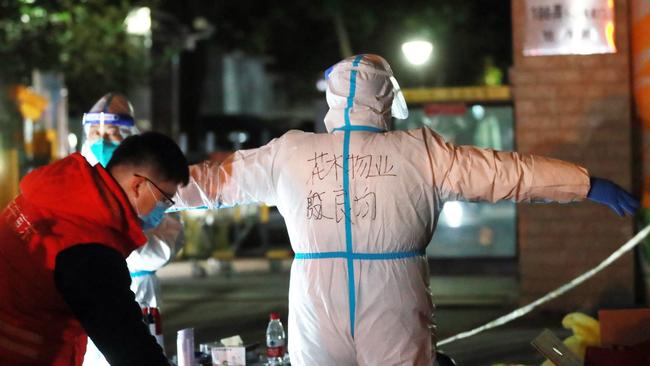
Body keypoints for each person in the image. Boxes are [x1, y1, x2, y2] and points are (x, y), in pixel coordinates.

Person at [173, 54, 639, 365]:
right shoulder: (420, 151)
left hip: (313, 298)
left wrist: (148, 194)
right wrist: (585, 184)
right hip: (392, 296)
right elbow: (506, 173)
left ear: (332, 99)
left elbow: (213, 182)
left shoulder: (289, 152)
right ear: (385, 98)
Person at [0, 131, 189, 366]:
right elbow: (130, 349)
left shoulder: (55, 195)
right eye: (164, 200)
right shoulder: (89, 245)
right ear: (139, 185)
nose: (164, 211)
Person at [79, 93, 185, 366]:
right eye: (95, 132)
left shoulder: (154, 181)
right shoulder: (76, 180)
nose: (102, 140)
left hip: (140, 287)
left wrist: (124, 237)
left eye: (112, 132)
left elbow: (165, 245)